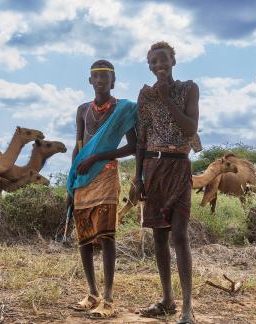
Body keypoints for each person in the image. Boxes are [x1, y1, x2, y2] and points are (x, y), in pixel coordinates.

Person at [134, 41, 199, 324]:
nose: (159, 65)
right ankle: (167, 300)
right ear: (149, 65)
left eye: (164, 60)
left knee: (179, 236)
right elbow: (141, 138)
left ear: (173, 61)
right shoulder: (145, 95)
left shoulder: (188, 88)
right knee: (159, 236)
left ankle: (187, 308)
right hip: (153, 166)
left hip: (179, 165)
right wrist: (137, 177)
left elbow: (190, 128)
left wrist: (168, 99)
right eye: (153, 62)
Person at [66, 59, 137, 318]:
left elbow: (133, 147)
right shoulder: (83, 110)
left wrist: (97, 157)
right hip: (82, 179)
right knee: (84, 237)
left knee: (106, 237)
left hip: (107, 176)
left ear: (113, 81)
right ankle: (92, 293)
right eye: (96, 77)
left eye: (105, 77)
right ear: (89, 81)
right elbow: (78, 146)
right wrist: (70, 182)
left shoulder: (123, 109)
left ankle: (108, 299)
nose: (100, 81)